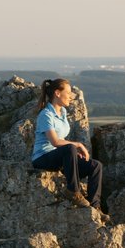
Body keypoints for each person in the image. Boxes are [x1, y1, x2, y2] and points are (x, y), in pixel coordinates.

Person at [31, 78, 103, 210]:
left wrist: (72, 155)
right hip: (43, 158)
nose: (71, 96)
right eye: (68, 93)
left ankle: (95, 207)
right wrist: (78, 146)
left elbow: (62, 143)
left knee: (95, 166)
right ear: (57, 93)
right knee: (69, 148)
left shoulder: (63, 112)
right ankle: (73, 191)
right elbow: (55, 141)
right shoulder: (46, 115)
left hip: (60, 157)